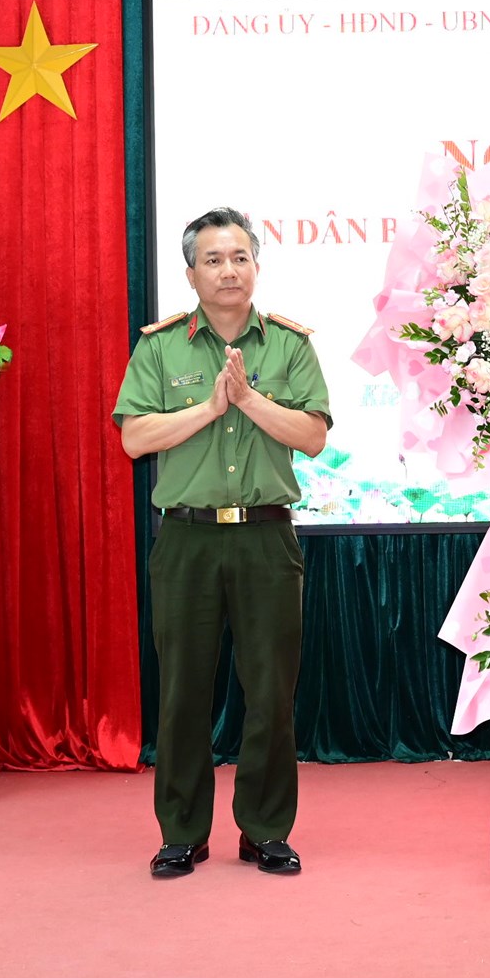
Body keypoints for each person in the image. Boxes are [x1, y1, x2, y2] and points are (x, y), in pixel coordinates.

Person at [113, 207, 331, 879]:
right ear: (191, 274)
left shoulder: (289, 344)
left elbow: (313, 435)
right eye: (213, 259)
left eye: (239, 257)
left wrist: (248, 401)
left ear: (256, 266)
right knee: (183, 693)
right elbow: (134, 438)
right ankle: (182, 832)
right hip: (188, 540)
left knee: (270, 694)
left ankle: (265, 830)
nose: (228, 270)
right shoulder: (160, 348)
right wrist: (208, 408)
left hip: (267, 539)